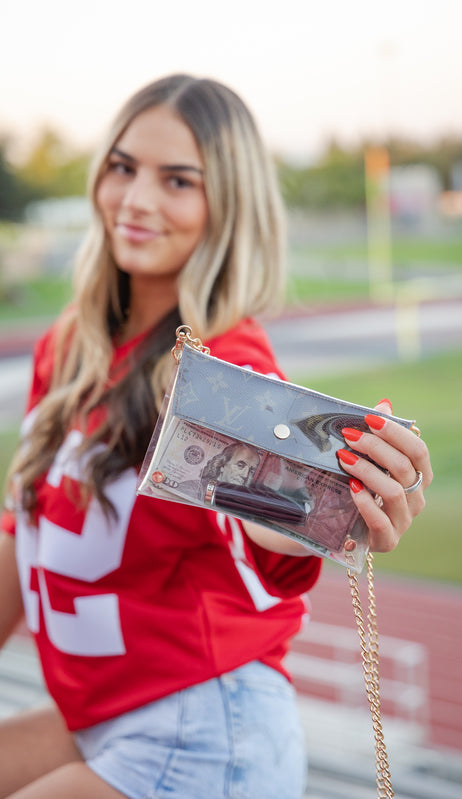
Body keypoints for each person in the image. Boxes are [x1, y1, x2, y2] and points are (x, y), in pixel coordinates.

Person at [0, 74, 432, 799]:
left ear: (225, 205)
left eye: (177, 181)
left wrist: (344, 501)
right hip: (97, 712)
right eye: (122, 166)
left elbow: (276, 527)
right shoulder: (69, 345)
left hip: (201, 731)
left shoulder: (225, 366)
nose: (136, 200)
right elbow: (21, 535)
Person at [178, 442, 260, 502]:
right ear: (222, 465)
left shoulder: (241, 503)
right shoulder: (191, 489)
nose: (245, 475)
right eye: (240, 465)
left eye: (251, 471)